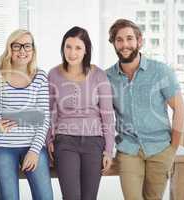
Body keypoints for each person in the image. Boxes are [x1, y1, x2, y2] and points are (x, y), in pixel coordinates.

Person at [106, 19, 184, 200]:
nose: (125, 44)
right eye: (119, 40)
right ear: (114, 44)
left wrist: (172, 148)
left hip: (160, 148)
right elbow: (102, 115)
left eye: (129, 38)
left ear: (139, 41)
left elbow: (179, 108)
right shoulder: (107, 77)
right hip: (128, 149)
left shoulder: (161, 71)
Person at [47, 26, 115, 200]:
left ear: (86, 50)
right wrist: (49, 139)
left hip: (94, 141)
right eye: (68, 47)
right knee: (71, 197)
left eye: (78, 48)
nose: (72, 53)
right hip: (65, 140)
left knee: (89, 197)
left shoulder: (99, 75)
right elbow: (48, 111)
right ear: (63, 48)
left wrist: (108, 150)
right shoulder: (53, 74)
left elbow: (107, 116)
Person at [0, 29, 53, 200]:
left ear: (33, 50)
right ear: (10, 48)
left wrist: (34, 151)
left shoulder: (40, 77)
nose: (22, 50)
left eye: (27, 46)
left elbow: (43, 118)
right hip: (2, 147)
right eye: (17, 46)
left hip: (33, 146)